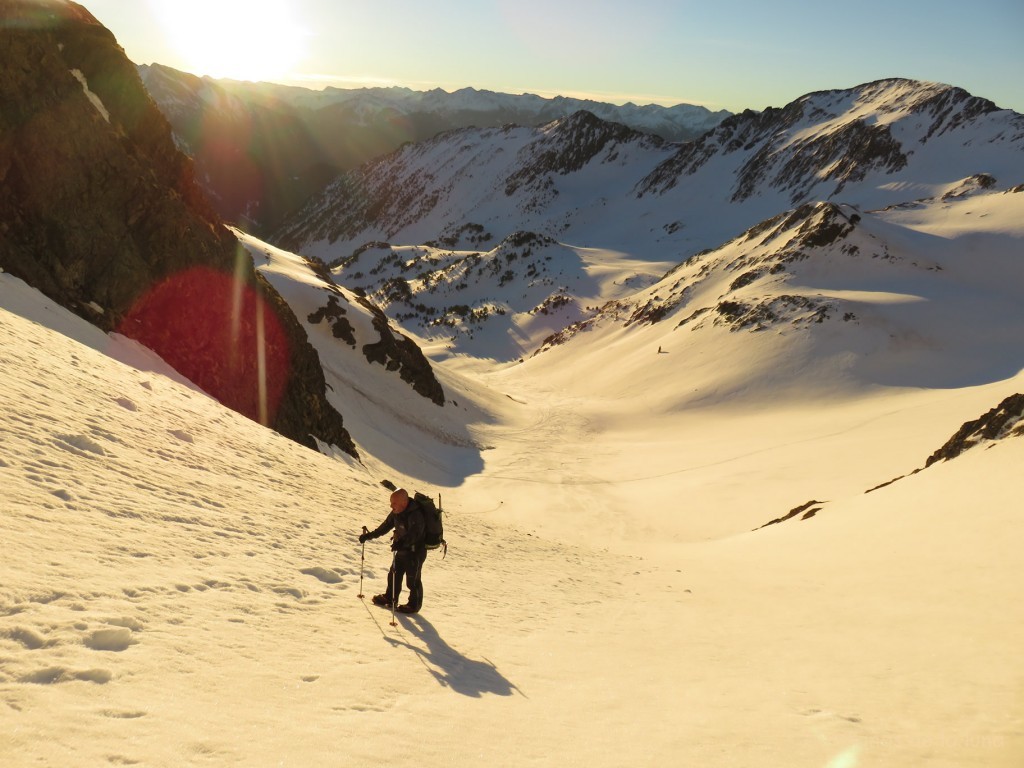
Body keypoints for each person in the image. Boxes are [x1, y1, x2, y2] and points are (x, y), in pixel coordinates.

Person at [359, 488, 427, 614]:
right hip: (401, 548)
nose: (391, 505)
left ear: (404, 502)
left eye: (394, 503)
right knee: (394, 574)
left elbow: (415, 534)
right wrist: (369, 536)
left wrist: (401, 542)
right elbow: (385, 527)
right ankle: (390, 598)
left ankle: (414, 606)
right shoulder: (396, 512)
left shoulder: (415, 514)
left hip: (415, 551)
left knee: (413, 579)